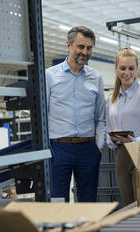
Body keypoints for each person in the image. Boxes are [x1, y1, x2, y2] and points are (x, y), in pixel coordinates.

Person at [45, 26, 106, 202]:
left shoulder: (96, 77)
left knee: (88, 200)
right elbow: (43, 114)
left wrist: (99, 147)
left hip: (88, 148)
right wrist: (47, 147)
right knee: (57, 200)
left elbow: (100, 117)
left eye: (89, 48)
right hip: (58, 148)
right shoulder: (50, 76)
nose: (85, 52)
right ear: (69, 45)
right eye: (81, 47)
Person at [106, 47, 140, 206]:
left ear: (136, 69)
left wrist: (134, 140)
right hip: (120, 154)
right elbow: (108, 130)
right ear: (116, 69)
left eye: (131, 68)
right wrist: (112, 138)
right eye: (122, 68)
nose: (126, 72)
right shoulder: (111, 100)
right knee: (129, 204)